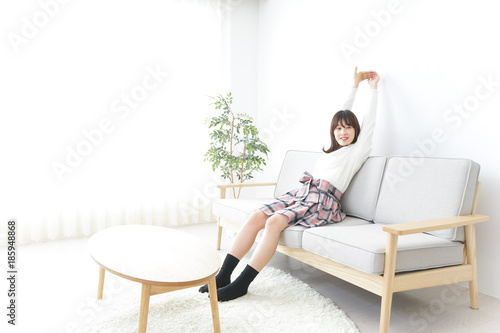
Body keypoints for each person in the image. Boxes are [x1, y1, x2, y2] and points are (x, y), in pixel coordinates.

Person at [199, 67, 380, 302]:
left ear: (356, 131)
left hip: (323, 201)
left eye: (348, 127)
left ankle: (242, 285)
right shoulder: (330, 150)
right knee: (256, 216)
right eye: (338, 128)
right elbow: (340, 113)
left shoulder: (356, 152)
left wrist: (372, 90)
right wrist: (353, 86)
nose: (342, 132)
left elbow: (370, 122)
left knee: (274, 222)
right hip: (304, 192)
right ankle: (223, 276)